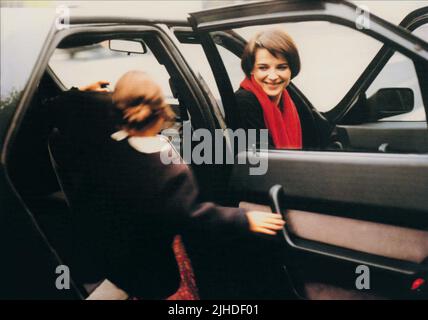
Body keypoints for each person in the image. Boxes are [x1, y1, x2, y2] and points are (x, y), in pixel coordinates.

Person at [50, 71, 286, 299]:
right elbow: (193, 215)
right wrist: (244, 219)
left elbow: (62, 108)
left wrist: (78, 92)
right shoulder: (166, 170)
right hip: (152, 268)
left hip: (114, 257)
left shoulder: (101, 147)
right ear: (162, 113)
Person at [235, 28, 334, 150]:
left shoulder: (289, 100)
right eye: (263, 68)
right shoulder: (244, 102)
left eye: (281, 67)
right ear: (251, 69)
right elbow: (260, 159)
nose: (273, 76)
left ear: (291, 69)